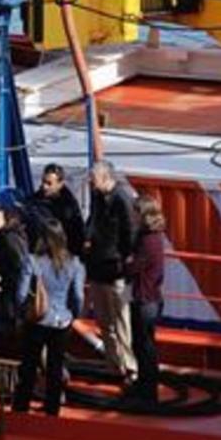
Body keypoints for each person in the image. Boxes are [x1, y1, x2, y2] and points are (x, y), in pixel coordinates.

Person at [13, 218, 85, 417]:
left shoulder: (32, 261)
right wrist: (73, 314)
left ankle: (21, 406)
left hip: (37, 319)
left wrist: (22, 312)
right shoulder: (75, 263)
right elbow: (78, 296)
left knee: (29, 365)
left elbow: (21, 293)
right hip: (62, 320)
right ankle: (52, 408)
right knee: (55, 366)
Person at [84, 159, 137, 383]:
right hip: (97, 268)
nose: (90, 183)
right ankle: (114, 365)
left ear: (105, 178)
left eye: (93, 179)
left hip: (116, 271)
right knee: (105, 322)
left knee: (122, 321)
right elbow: (93, 221)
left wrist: (123, 260)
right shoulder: (97, 196)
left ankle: (131, 367)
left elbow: (130, 233)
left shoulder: (122, 200)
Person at [128, 195, 166, 403]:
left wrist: (126, 264)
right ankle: (144, 387)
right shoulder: (153, 237)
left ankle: (147, 391)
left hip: (145, 299)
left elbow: (135, 266)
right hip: (150, 298)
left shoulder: (148, 240)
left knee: (144, 346)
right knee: (143, 345)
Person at [28, 164, 85, 259]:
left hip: (62, 254)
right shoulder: (35, 200)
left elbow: (76, 232)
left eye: (49, 183)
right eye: (43, 182)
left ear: (60, 184)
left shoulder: (68, 206)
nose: (44, 187)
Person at [0, 205, 29, 330]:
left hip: (12, 292)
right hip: (10, 289)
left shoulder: (9, 238)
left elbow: (21, 265)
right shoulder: (5, 235)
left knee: (11, 325)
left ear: (7, 220)